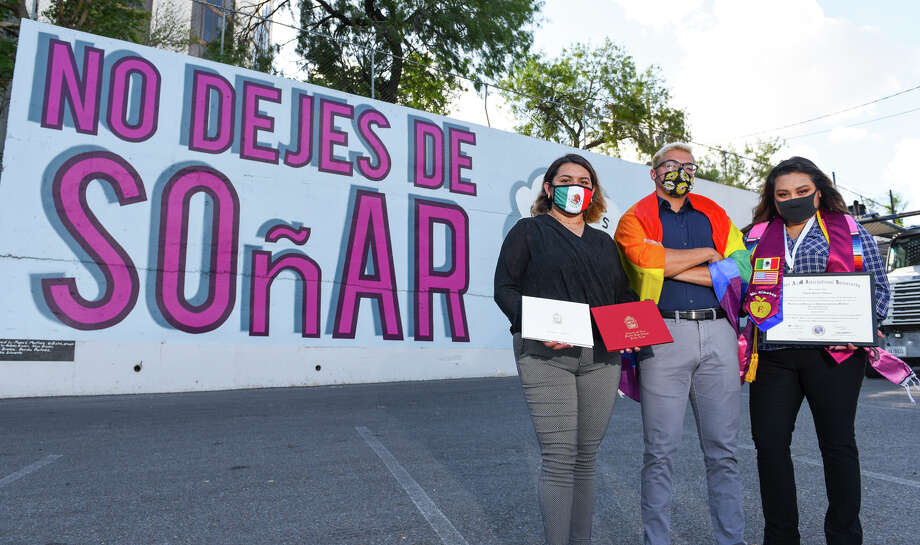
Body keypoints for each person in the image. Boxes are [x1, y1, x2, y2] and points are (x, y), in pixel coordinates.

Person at [742, 157, 889, 545]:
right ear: (773, 199)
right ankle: (780, 536)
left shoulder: (850, 230)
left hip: (835, 354)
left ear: (818, 192)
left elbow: (878, 287)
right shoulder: (755, 237)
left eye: (802, 192)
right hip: (774, 356)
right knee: (769, 445)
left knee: (837, 444)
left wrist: (864, 325)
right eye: (783, 194)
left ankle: (843, 536)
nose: (793, 199)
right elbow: (738, 288)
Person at [494, 153, 638, 545]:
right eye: (566, 179)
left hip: (601, 359)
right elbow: (505, 288)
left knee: (586, 459)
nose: (575, 187)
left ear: (592, 193)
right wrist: (535, 328)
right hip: (546, 356)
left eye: (584, 181)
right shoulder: (529, 231)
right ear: (549, 187)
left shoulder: (604, 243)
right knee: (559, 459)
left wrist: (634, 329)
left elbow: (622, 296)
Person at [614, 142, 751, 545]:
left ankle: (732, 540)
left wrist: (673, 265)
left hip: (720, 333)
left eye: (689, 166)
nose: (682, 171)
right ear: (653, 171)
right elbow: (642, 265)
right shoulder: (633, 218)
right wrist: (709, 256)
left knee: (724, 452)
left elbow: (741, 267)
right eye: (672, 165)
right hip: (661, 335)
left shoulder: (714, 212)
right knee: (659, 453)